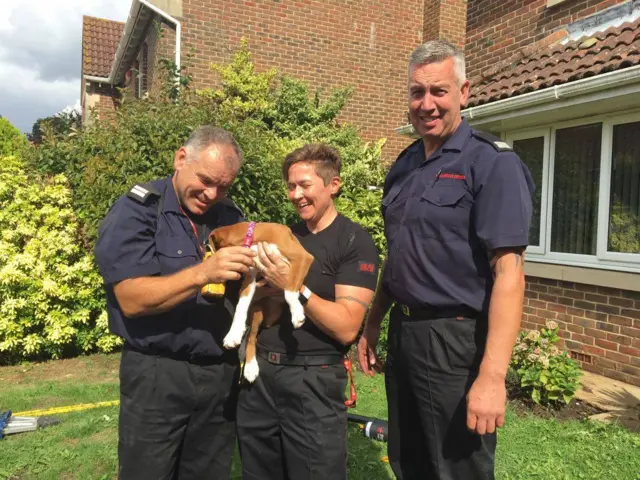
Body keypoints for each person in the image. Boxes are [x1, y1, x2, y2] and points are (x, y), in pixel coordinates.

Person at [357, 40, 535, 480]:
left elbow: (510, 274)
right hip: (405, 333)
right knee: (409, 461)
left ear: (464, 92)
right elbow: (400, 255)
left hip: (455, 340)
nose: (427, 104)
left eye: (439, 91)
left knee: (457, 468)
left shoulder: (492, 164)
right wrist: (375, 319)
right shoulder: (404, 165)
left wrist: (493, 376)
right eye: (418, 92)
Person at [94, 126, 257, 480]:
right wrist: (202, 273)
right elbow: (131, 299)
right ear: (181, 158)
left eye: (224, 186)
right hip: (157, 374)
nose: (212, 193)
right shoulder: (138, 210)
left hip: (219, 375)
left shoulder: (231, 216)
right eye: (206, 180)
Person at [236, 143, 380, 480]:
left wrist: (295, 287)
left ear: (333, 185)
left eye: (305, 185)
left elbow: (346, 328)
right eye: (290, 186)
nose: (296, 194)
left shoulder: (353, 242)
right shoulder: (285, 236)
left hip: (312, 382)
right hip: (260, 379)